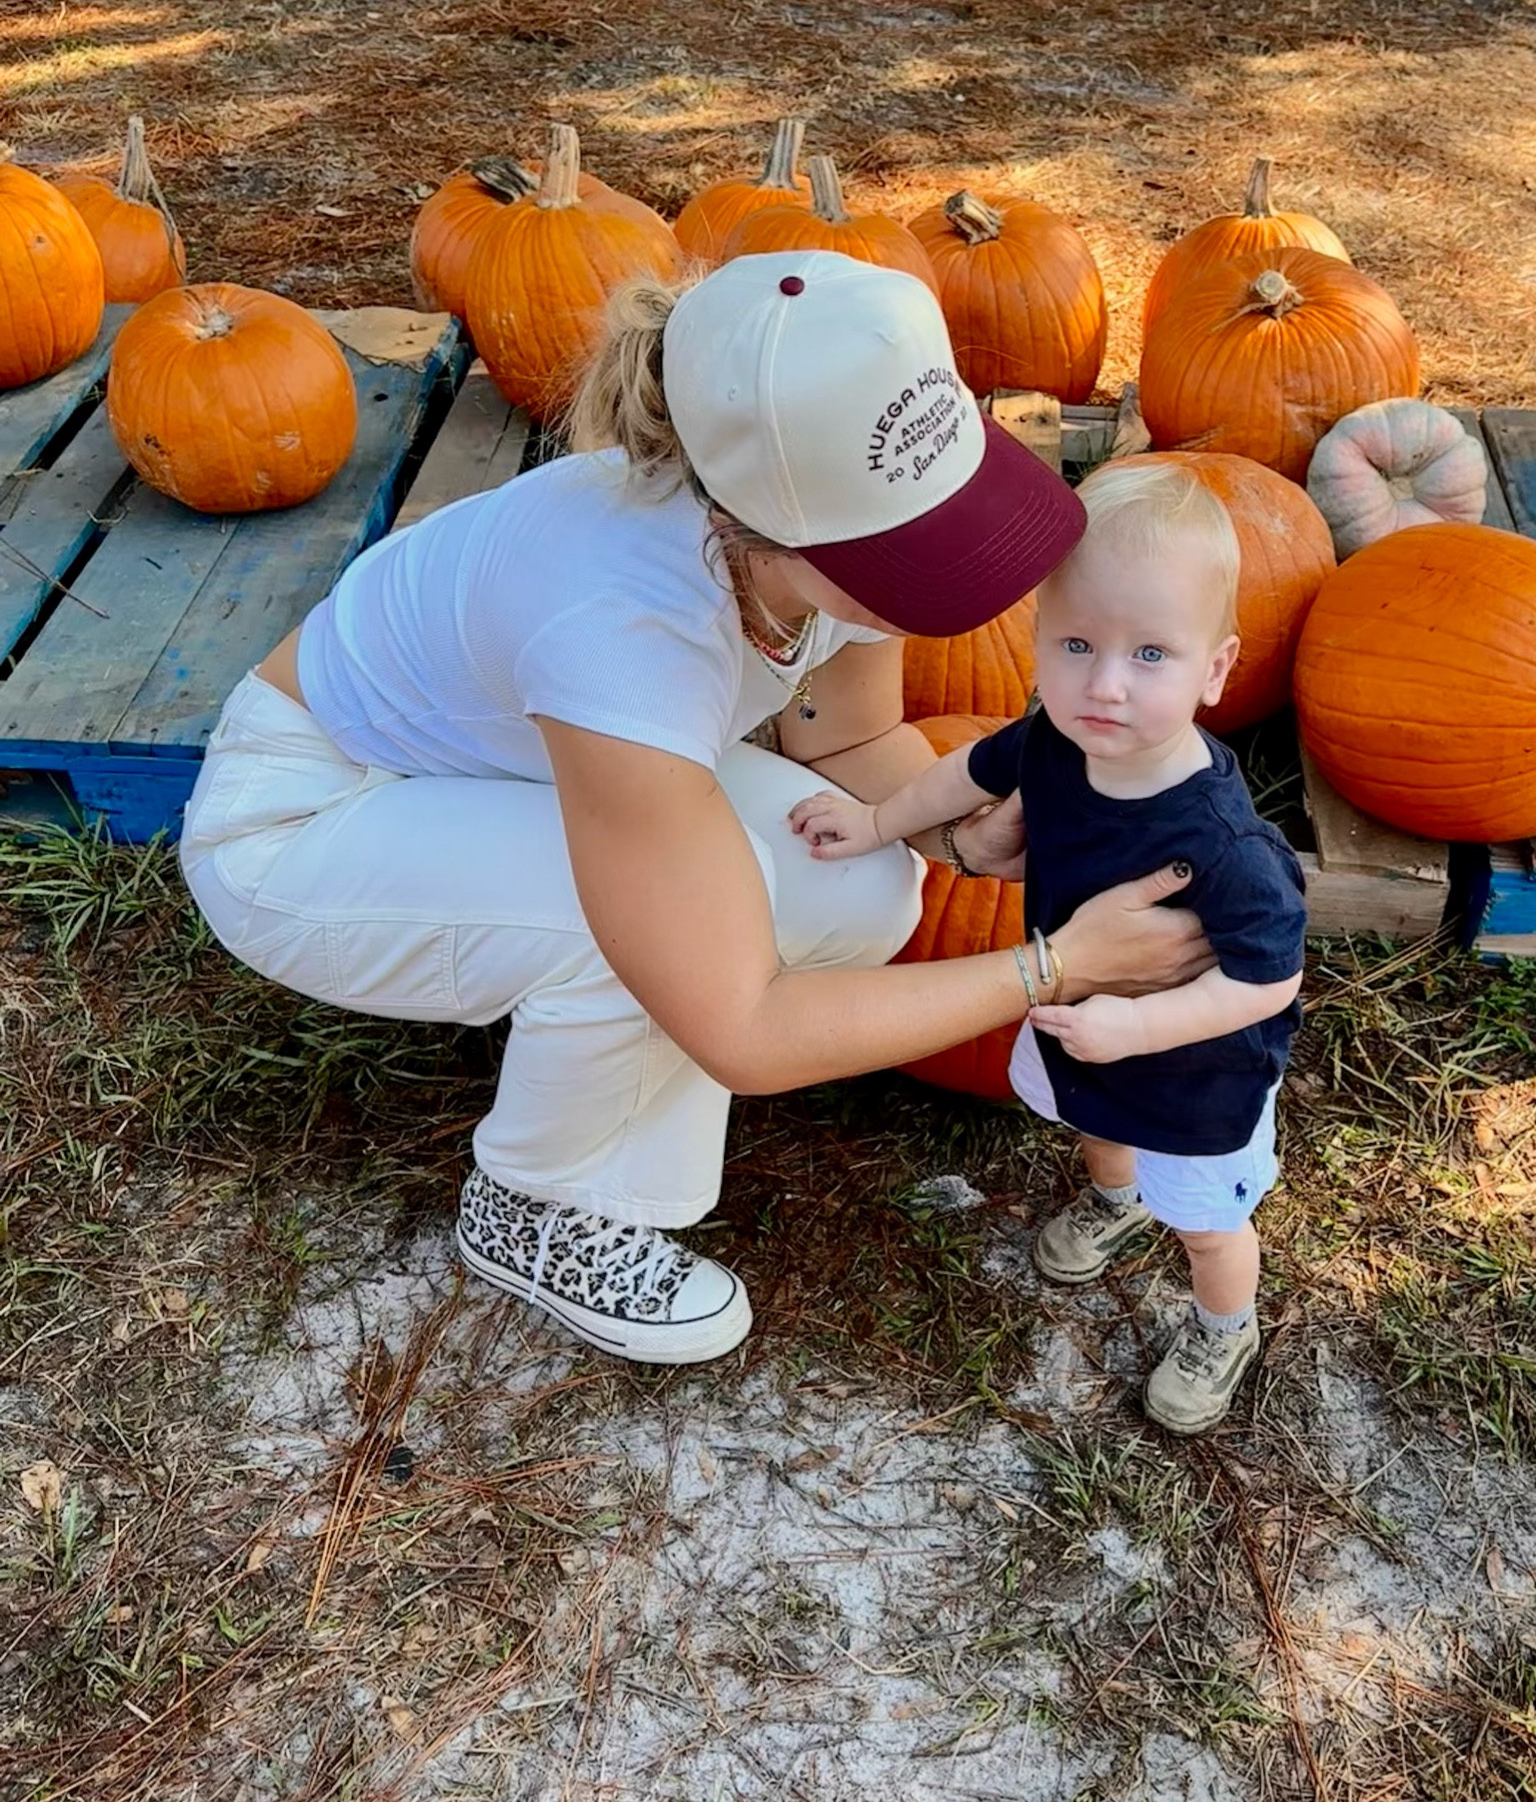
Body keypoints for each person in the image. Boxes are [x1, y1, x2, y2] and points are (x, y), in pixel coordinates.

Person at [179, 252, 1214, 1369]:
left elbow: (850, 742)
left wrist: (952, 833)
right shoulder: (624, 629)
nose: (952, 574)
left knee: (860, 876)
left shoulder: (825, 492)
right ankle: (535, 1205)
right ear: (762, 531)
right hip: (306, 823)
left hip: (487, 773)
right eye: (914, 554)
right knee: (633, 935)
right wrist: (1050, 967)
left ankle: (596, 1044)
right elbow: (746, 1032)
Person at [791, 463, 1306, 1433]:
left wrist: (1144, 1019)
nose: (1104, 684)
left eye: (1151, 653)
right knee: (1094, 1121)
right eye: (1077, 642)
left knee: (1207, 1223)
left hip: (1199, 1071)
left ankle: (1222, 1323)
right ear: (1037, 638)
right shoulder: (1050, 742)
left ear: (1217, 668)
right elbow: (958, 776)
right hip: (1088, 1024)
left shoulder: (1223, 845)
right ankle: (1114, 1199)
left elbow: (1269, 978)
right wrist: (875, 820)